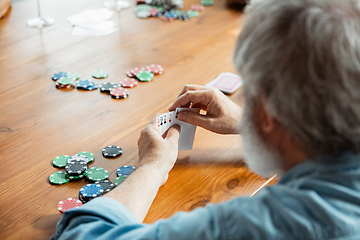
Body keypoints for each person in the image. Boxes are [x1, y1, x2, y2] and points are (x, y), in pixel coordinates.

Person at [52, 0, 360, 239]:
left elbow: (82, 235)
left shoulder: (258, 226)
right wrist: (251, 122)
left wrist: (152, 167)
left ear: (267, 110)